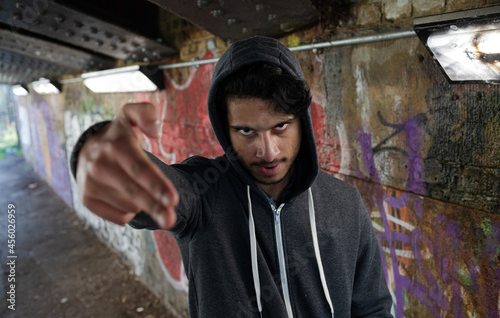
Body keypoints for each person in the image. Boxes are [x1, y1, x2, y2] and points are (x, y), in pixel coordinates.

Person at [71, 36, 393, 317]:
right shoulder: (204, 196)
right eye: (247, 131)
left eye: (280, 126)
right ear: (226, 130)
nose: (267, 151)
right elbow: (165, 192)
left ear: (301, 122)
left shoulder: (345, 204)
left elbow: (372, 308)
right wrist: (104, 158)